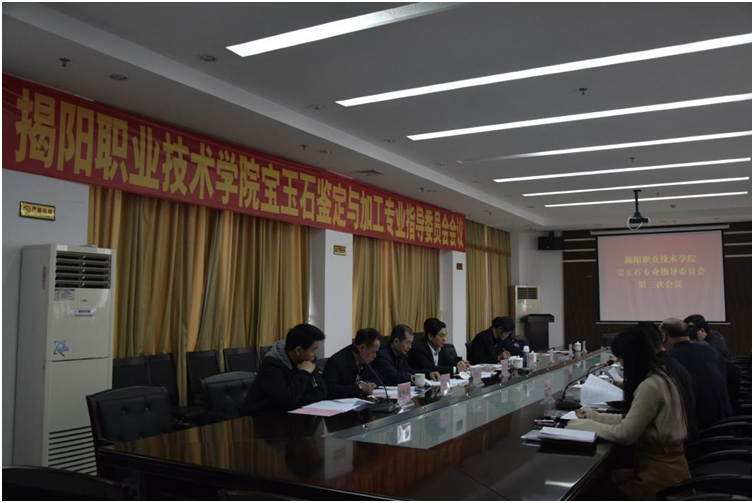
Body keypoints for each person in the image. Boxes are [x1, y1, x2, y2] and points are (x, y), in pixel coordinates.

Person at [567, 328, 691, 500]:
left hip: (660, 478)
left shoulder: (650, 386)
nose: (622, 366)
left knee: (593, 489)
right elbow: (633, 420)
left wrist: (589, 425)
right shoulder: (662, 375)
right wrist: (593, 416)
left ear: (632, 358)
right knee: (608, 479)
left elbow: (626, 434)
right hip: (667, 467)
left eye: (621, 360)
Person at [659, 318, 732, 429]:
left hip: (699, 426)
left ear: (664, 336)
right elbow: (734, 372)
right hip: (726, 421)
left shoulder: (671, 359)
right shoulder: (709, 350)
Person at [241, 323, 327, 414]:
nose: (315, 355)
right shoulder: (271, 367)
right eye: (313, 350)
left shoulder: (305, 362)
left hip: (291, 416)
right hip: (262, 418)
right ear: (298, 350)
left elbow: (323, 391)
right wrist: (304, 373)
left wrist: (297, 401)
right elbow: (287, 401)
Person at [638, 322, 698, 442]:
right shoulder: (704, 349)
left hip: (683, 439)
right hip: (704, 428)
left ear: (664, 336)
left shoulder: (663, 366)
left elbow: (627, 432)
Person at [323, 328, 382, 399]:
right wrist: (359, 387)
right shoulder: (337, 361)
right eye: (373, 352)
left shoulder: (363, 359)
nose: (375, 356)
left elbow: (378, 378)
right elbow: (331, 389)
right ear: (361, 348)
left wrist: (367, 384)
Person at [372, 324, 440, 385]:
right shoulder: (381, 355)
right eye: (408, 343)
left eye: (411, 343)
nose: (410, 347)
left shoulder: (400, 355)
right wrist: (412, 377)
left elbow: (409, 370)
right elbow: (394, 377)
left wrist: (428, 373)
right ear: (396, 342)